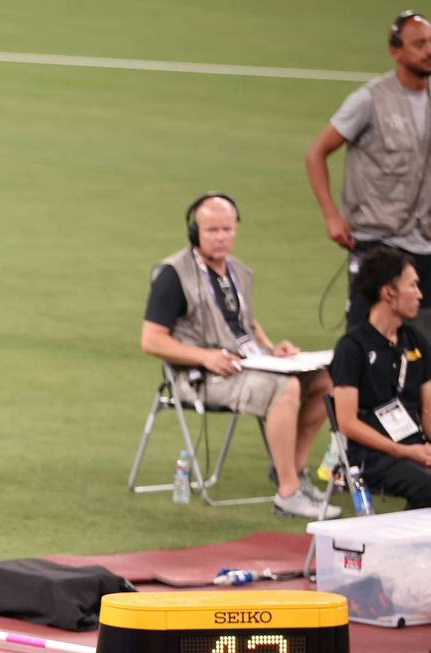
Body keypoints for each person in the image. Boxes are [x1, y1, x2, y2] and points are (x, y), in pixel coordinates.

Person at [141, 193, 339, 519]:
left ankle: (293, 471)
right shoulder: (174, 275)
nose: (222, 237)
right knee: (284, 388)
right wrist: (204, 357)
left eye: (227, 229)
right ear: (195, 232)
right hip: (199, 376)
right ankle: (288, 494)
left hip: (246, 364)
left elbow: (244, 321)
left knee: (325, 380)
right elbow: (151, 341)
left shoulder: (239, 272)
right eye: (213, 230)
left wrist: (272, 349)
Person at [305, 11, 431, 337]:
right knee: (366, 340)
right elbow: (316, 153)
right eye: (419, 44)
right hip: (378, 242)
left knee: (423, 345)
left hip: (426, 243)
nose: (428, 50)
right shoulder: (369, 101)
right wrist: (331, 215)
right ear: (396, 51)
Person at [330, 246, 431, 509]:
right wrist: (403, 451)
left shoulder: (415, 340)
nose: (420, 295)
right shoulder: (351, 348)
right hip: (373, 457)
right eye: (413, 286)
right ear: (388, 293)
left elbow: (429, 407)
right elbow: (347, 423)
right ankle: (413, 549)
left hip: (415, 448)